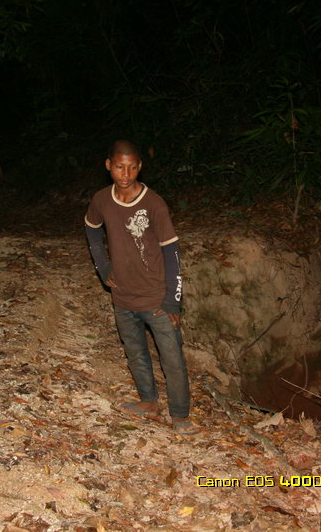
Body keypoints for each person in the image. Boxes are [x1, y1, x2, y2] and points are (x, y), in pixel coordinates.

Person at [85, 139, 197, 435]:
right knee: (135, 352)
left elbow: (171, 253)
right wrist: (103, 267)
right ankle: (149, 400)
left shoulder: (154, 204)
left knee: (172, 357)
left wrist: (173, 301)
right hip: (122, 296)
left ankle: (180, 415)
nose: (126, 174)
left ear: (140, 167)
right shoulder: (101, 200)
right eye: (119, 167)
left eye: (132, 167)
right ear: (108, 165)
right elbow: (92, 229)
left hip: (156, 298)